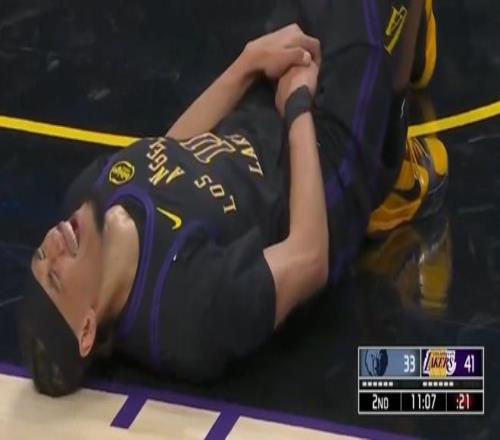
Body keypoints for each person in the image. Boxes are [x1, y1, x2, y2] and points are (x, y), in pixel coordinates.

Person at [18, 0, 447, 396]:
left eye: (41, 255)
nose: (52, 245)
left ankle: (398, 44)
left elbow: (162, 152)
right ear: (87, 329)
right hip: (320, 174)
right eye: (55, 277)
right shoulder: (188, 312)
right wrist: (298, 107)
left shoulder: (88, 200)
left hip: (259, 114)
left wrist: (248, 62)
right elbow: (309, 258)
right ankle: (387, 156)